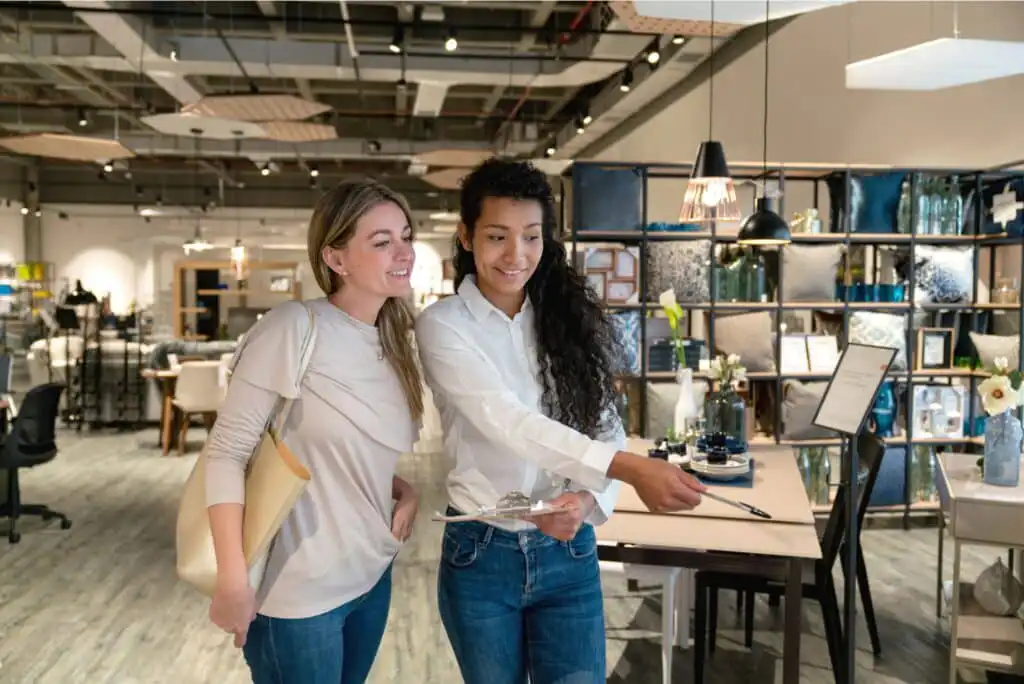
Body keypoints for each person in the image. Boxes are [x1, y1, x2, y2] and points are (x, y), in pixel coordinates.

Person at [415, 158, 705, 684]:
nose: (516, 255)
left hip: (568, 552)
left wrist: (591, 498)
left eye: (531, 237)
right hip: (483, 554)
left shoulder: (565, 316)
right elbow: (507, 419)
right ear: (465, 236)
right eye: (498, 236)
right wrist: (630, 470)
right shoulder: (442, 327)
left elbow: (604, 418)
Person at [204, 178, 424, 684]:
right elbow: (227, 454)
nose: (403, 251)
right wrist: (233, 579)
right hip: (299, 591)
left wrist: (403, 490)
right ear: (336, 259)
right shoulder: (293, 327)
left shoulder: (393, 345)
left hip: (371, 574)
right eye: (382, 240)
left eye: (405, 235)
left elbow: (350, 455)